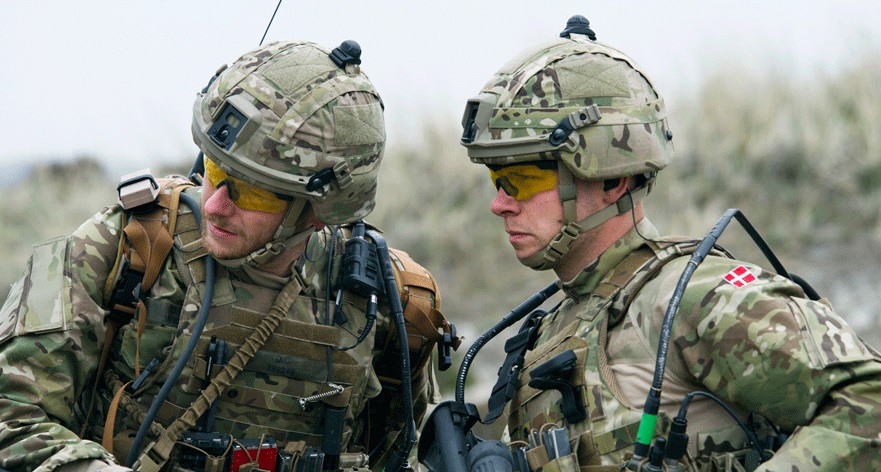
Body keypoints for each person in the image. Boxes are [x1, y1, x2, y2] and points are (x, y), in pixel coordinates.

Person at [0, 40, 454, 472]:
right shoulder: (119, 244)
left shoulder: (390, 300)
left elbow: (399, 454)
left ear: (319, 211)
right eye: (214, 170)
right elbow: (12, 414)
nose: (215, 204)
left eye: (253, 193)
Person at [455, 15, 881, 471]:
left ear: (612, 177)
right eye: (496, 181)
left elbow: (868, 401)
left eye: (521, 180)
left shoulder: (697, 298)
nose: (499, 204)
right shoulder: (547, 334)